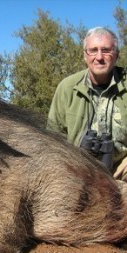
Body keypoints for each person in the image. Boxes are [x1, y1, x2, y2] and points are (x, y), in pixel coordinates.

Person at [47, 26, 127, 180]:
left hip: (121, 169)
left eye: (106, 50)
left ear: (116, 55)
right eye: (93, 50)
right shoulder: (67, 87)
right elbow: (53, 137)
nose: (99, 57)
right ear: (85, 55)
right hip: (76, 171)